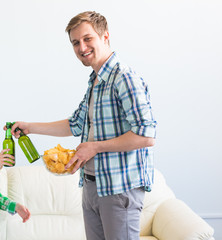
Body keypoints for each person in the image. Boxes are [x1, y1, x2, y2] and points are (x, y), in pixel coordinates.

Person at [10, 11, 157, 240]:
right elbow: (75, 124)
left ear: (105, 36)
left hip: (119, 188)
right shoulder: (95, 81)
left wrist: (95, 147)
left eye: (87, 39)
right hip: (91, 186)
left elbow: (146, 136)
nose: (81, 47)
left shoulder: (124, 78)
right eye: (75, 42)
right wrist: (30, 127)